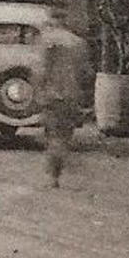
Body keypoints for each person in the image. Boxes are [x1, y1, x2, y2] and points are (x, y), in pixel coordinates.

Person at [39, 32, 90, 189]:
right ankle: (57, 172)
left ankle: (53, 176)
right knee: (64, 136)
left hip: (53, 95)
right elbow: (87, 72)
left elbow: (43, 70)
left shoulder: (48, 42)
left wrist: (40, 91)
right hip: (72, 96)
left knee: (53, 136)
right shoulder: (79, 43)